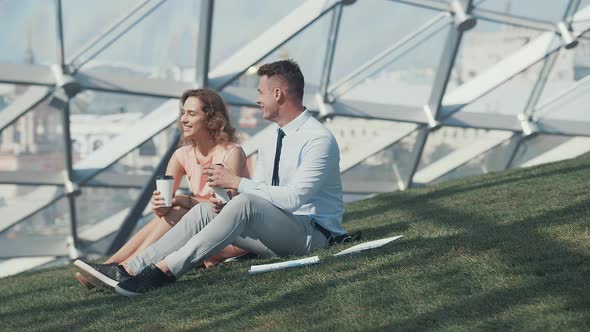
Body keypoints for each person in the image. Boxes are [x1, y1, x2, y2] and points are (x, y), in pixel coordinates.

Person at [78, 59, 346, 297]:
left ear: (278, 94)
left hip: (312, 236)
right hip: (276, 235)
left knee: (244, 204)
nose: (257, 100)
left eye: (261, 93)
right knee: (206, 210)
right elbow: (259, 194)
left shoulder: (317, 139)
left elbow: (295, 198)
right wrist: (229, 201)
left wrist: (237, 184)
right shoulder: (271, 140)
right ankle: (129, 268)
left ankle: (164, 271)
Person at [74, 88, 249, 289]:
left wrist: (190, 201)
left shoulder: (231, 153)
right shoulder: (182, 155)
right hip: (191, 228)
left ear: (212, 119)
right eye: (183, 113)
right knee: (173, 212)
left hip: (229, 235)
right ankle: (111, 267)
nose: (183, 119)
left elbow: (230, 208)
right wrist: (160, 205)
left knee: (178, 212)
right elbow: (162, 211)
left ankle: (120, 269)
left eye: (191, 114)